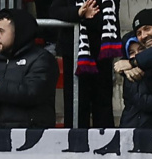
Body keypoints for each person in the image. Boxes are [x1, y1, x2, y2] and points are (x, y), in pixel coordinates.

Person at [0, 8, 59, 128]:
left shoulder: (42, 59)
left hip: (32, 136)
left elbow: (33, 93)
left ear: (18, 32)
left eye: (1, 31)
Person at [49, 0, 121, 128]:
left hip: (102, 53)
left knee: (103, 105)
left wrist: (88, 17)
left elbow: (109, 17)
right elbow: (55, 11)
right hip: (74, 54)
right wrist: (78, 12)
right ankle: (75, 145)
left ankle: (105, 144)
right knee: (76, 105)